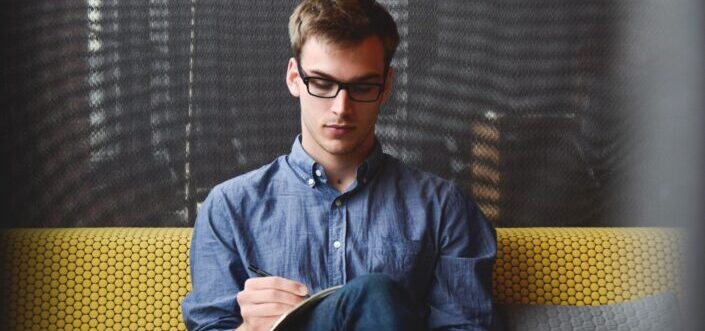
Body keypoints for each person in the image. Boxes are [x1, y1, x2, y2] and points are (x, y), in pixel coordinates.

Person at [181, 0, 497, 330]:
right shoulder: (230, 207)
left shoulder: (444, 208)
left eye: (362, 87)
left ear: (386, 86)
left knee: (375, 295)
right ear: (294, 78)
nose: (341, 108)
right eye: (321, 83)